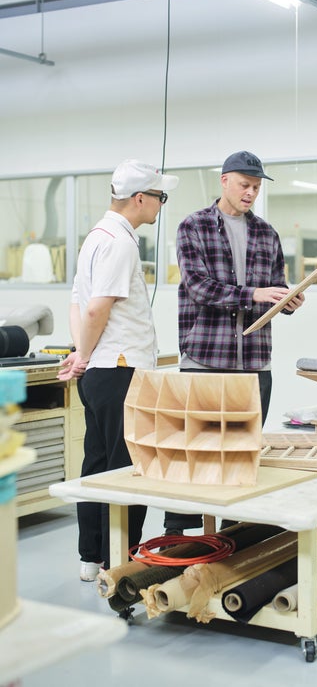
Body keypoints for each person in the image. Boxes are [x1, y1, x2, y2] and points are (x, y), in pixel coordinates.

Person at [163, 150, 304, 535]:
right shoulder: (194, 226)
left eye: (256, 187)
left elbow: (273, 287)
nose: (250, 193)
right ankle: (178, 536)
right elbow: (198, 287)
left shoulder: (267, 234)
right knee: (195, 451)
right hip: (205, 359)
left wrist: (286, 300)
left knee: (242, 457)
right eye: (245, 185)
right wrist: (254, 294)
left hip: (254, 364)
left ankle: (234, 537)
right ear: (224, 181)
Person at [57, 159, 179, 581]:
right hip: (121, 371)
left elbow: (77, 303)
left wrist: (82, 353)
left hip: (102, 373)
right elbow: (96, 308)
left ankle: (92, 558)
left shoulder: (96, 236)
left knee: (97, 465)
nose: (161, 204)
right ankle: (120, 562)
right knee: (129, 470)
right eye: (160, 197)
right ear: (140, 198)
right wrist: (83, 354)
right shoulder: (121, 244)